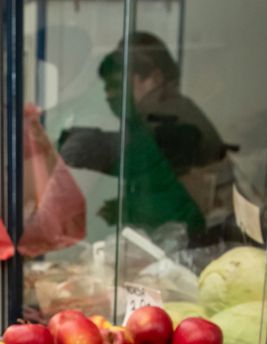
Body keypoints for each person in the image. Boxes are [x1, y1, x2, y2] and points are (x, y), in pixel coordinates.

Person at [56, 32, 230, 238]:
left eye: (119, 84)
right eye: (108, 88)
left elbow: (136, 156)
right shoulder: (160, 113)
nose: (111, 96)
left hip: (188, 235)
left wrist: (75, 145)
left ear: (155, 78)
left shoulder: (169, 119)